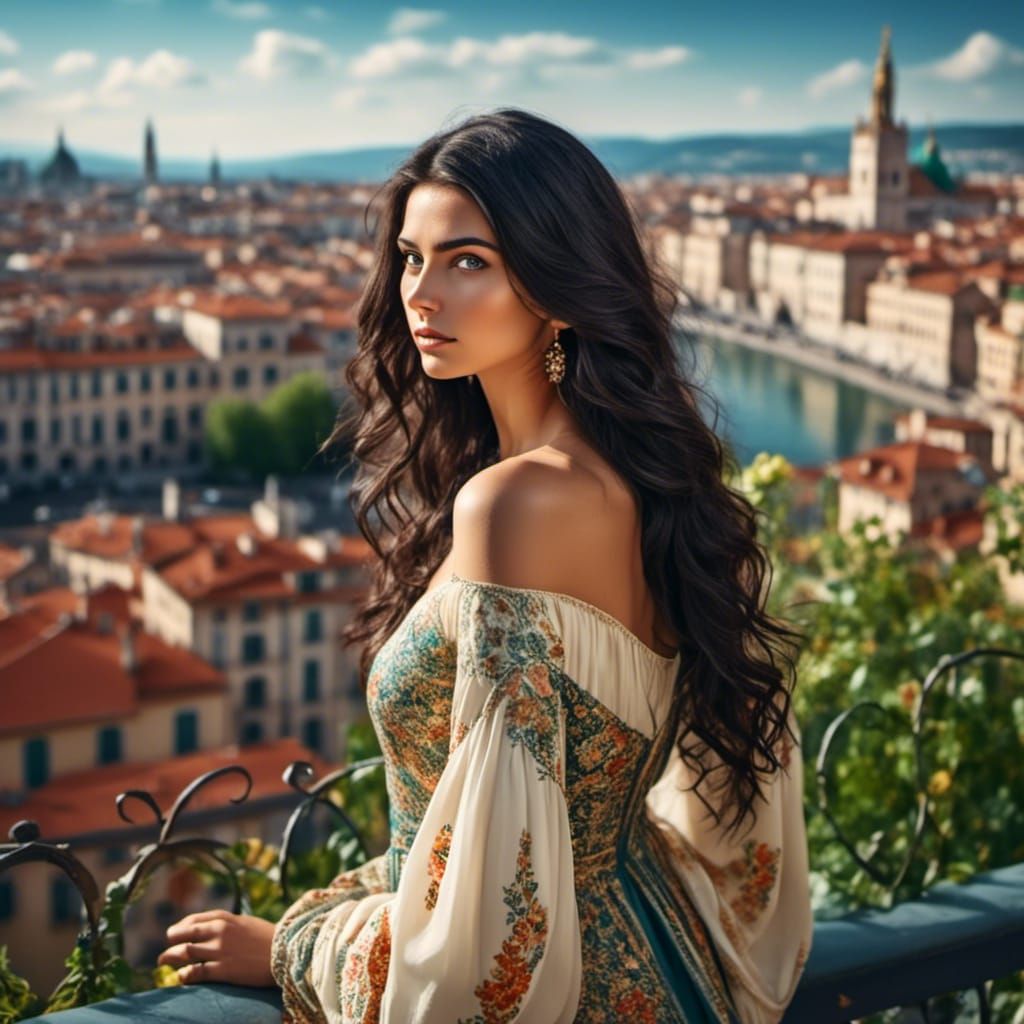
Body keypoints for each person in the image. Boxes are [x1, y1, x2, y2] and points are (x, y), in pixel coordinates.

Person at [39, 107, 813, 1023]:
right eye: (411, 257)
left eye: (468, 260)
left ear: (561, 282)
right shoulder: (644, 483)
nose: (422, 293)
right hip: (658, 957)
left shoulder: (513, 506)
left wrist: (294, 944)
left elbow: (491, 940)